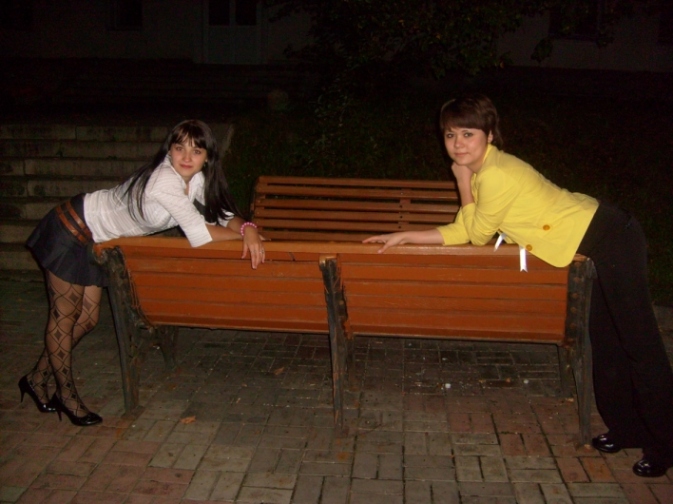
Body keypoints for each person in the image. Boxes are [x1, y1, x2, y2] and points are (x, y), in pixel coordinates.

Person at [364, 94, 673, 478]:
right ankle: (628, 429)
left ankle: (665, 443)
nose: (458, 144)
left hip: (612, 236)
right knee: (607, 342)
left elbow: (477, 234)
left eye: (468, 133)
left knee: (640, 343)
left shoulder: (494, 174)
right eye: (450, 135)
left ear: (490, 135)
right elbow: (463, 228)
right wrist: (406, 235)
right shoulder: (485, 171)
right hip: (592, 241)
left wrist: (461, 181)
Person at [19, 119, 265, 427]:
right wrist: (242, 238)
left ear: (207, 157)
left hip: (94, 238)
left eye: (196, 151)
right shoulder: (164, 180)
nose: (186, 157)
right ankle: (66, 396)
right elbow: (199, 233)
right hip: (70, 228)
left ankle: (35, 379)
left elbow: (223, 214)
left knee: (88, 319)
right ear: (169, 149)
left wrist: (248, 228)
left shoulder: (196, 179)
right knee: (65, 317)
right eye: (179, 148)